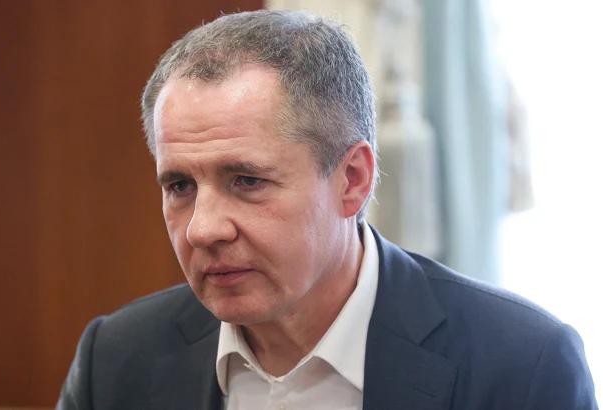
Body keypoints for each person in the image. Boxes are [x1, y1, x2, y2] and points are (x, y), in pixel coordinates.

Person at [57, 10, 598, 410]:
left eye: (247, 181)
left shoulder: (521, 365)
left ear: (352, 181)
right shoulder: (117, 358)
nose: (203, 229)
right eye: (180, 186)